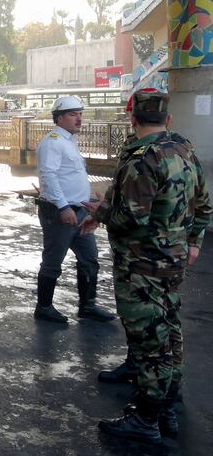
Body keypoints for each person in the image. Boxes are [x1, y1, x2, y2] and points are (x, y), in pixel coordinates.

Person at [81, 90, 212, 444]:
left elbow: (131, 219)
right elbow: (205, 204)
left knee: (149, 342)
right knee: (169, 330)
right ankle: (168, 404)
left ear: (133, 119)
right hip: (173, 261)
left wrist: (101, 213)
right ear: (168, 119)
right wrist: (194, 242)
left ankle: (147, 419)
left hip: (141, 265)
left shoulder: (143, 159)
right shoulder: (183, 149)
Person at [33, 96, 115, 323]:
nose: (78, 118)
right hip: (60, 212)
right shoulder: (53, 142)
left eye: (80, 113)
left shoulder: (69, 140)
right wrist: (63, 206)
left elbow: (69, 177)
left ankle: (88, 305)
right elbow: (48, 176)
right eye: (72, 114)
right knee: (53, 261)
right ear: (58, 118)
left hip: (79, 211)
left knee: (89, 258)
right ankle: (44, 307)